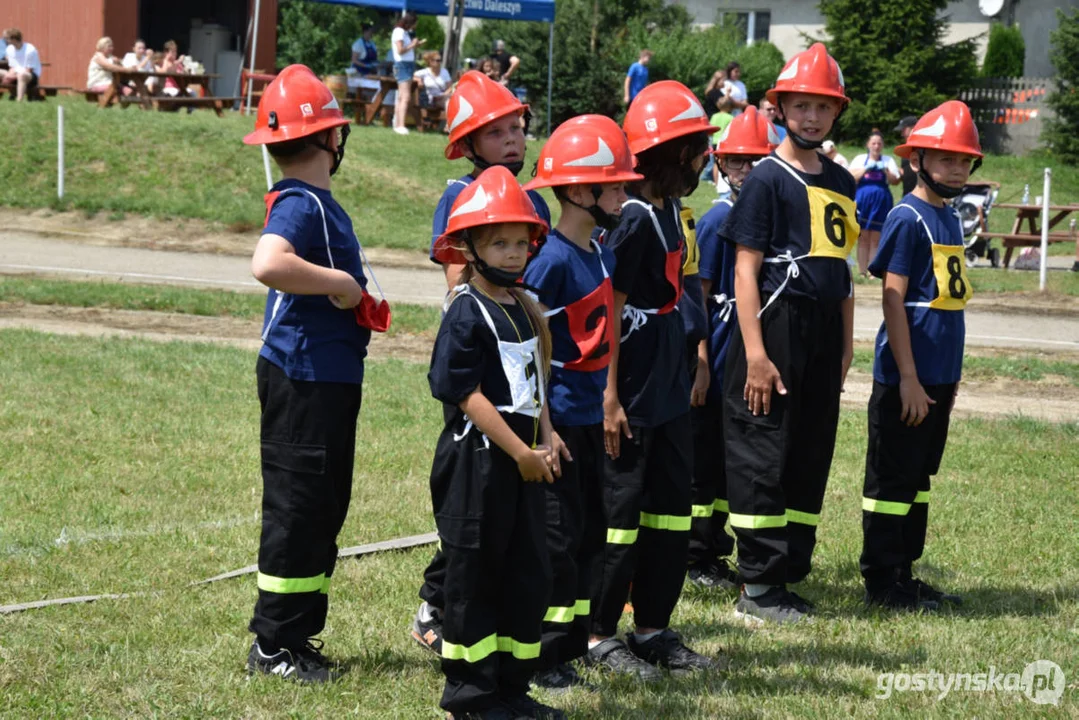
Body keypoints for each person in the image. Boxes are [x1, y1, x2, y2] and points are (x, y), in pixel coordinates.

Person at [241, 64, 390, 684]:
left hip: (326, 379)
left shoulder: (317, 203)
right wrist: (342, 284)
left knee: (323, 505)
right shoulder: (302, 204)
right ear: (332, 139)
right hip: (301, 378)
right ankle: (273, 645)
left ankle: (297, 635)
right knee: (299, 507)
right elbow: (267, 263)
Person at [413, 71, 553, 657]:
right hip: (483, 358)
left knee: (512, 529)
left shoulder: (532, 200)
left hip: (520, 349)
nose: (513, 140)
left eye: (517, 128)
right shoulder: (460, 195)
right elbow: (455, 275)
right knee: (474, 514)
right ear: (468, 144)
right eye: (496, 133)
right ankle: (440, 605)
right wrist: (474, 310)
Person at [719, 43, 858, 625]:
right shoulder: (765, 180)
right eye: (799, 105)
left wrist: (848, 345)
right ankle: (757, 586)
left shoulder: (845, 181)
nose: (811, 117)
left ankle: (788, 574)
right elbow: (745, 270)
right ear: (779, 108)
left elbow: (843, 269)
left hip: (825, 332)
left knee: (809, 448)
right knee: (763, 449)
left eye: (822, 108)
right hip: (776, 328)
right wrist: (755, 354)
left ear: (836, 114)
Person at [587, 80, 717, 680]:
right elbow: (610, 307)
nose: (702, 157)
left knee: (670, 513)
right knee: (622, 515)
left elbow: (678, 298)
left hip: (668, 390)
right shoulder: (635, 217)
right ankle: (599, 634)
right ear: (669, 153)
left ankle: (653, 628)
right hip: (633, 395)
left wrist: (694, 360)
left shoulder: (670, 211)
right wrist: (610, 396)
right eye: (694, 147)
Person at [427, 165, 565, 720]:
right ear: (469, 247)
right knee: (476, 578)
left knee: (525, 575)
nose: (513, 254)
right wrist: (520, 452)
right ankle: (472, 696)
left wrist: (548, 439)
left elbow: (538, 384)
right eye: (499, 243)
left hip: (526, 462)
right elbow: (465, 394)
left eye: (520, 243)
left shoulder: (524, 307)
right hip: (480, 466)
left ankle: (511, 689)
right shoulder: (466, 311)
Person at [522, 114, 642, 692]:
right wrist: (544, 428)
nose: (624, 192)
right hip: (559, 424)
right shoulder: (546, 263)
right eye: (614, 184)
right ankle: (542, 656)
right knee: (557, 540)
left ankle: (571, 644)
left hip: (589, 418)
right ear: (577, 190)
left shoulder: (600, 251)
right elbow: (531, 355)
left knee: (589, 534)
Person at [861, 101, 980, 611]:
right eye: (945, 159)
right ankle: (883, 579)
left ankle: (906, 571)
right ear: (917, 160)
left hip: (940, 376)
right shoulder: (907, 217)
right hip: (906, 378)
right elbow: (893, 297)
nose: (956, 169)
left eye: (964, 161)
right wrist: (907, 377)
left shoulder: (949, 217)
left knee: (918, 477)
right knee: (892, 477)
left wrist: (944, 376)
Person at [689, 107, 780, 592]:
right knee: (704, 470)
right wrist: (701, 364)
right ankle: (696, 554)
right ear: (720, 165)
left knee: (728, 468)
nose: (745, 169)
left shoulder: (766, 217)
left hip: (743, 370)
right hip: (718, 364)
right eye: (736, 161)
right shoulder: (718, 218)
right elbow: (699, 298)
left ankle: (713, 549)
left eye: (756, 160)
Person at [851, 130, 902, 276]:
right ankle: (861, 271)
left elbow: (895, 181)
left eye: (879, 143)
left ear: (883, 145)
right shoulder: (860, 159)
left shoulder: (888, 160)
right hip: (863, 200)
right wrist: (866, 168)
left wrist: (886, 171)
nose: (876, 146)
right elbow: (851, 177)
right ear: (868, 145)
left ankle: (872, 271)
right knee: (863, 237)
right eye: (873, 143)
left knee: (876, 238)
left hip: (881, 200)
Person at [391, 12, 425, 135]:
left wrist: (416, 45)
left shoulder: (402, 32)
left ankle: (397, 124)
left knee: (401, 97)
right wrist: (413, 45)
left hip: (407, 65)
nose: (415, 26)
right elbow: (400, 50)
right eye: (415, 23)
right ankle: (400, 125)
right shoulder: (399, 31)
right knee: (405, 97)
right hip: (403, 65)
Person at [3, 28, 41, 102]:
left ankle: (19, 100)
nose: (6, 41)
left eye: (7, 39)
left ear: (14, 39)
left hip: (31, 76)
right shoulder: (9, 49)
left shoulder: (30, 50)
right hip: (16, 73)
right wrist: (9, 75)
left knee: (22, 75)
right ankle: (13, 93)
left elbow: (29, 70)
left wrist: (12, 77)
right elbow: (12, 67)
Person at [709, 95, 736, 190]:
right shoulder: (730, 117)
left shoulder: (714, 116)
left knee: (715, 163)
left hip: (714, 141)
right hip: (724, 142)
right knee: (723, 163)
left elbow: (711, 128)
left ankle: (716, 182)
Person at [894, 116, 919, 195]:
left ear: (913, 128)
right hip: (908, 193)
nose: (902, 134)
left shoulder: (923, 148)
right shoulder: (905, 149)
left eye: (903, 130)